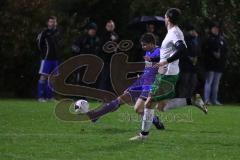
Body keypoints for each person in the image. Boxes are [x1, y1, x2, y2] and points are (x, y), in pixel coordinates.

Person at [130, 8, 207, 140]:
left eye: (165, 16)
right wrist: (156, 60)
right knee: (161, 106)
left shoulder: (174, 33)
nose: (164, 18)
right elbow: (170, 52)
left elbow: (182, 49)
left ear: (167, 18)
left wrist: (166, 61)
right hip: (168, 72)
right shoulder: (172, 32)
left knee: (149, 104)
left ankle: (144, 135)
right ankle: (192, 100)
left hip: (167, 73)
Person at [87, 33, 164, 129]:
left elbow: (161, 62)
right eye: (142, 45)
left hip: (151, 84)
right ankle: (96, 115)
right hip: (142, 81)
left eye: (144, 45)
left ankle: (155, 121)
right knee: (120, 99)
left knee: (139, 110)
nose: (143, 47)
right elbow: (148, 69)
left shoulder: (160, 51)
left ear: (152, 44)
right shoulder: (148, 52)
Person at [37, 16, 61, 102]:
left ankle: (49, 97)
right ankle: (40, 97)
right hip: (46, 59)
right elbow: (39, 45)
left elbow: (59, 45)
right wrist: (44, 54)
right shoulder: (44, 32)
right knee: (43, 77)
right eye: (51, 22)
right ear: (48, 23)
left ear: (56, 23)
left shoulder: (58, 32)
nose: (52, 23)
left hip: (55, 59)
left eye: (54, 22)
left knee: (52, 78)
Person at [204, 22, 228, 105]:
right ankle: (207, 100)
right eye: (214, 28)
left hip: (219, 65)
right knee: (209, 82)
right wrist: (213, 53)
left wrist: (221, 56)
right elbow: (205, 51)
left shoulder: (222, 39)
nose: (216, 29)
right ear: (211, 29)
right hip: (210, 65)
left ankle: (214, 100)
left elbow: (225, 51)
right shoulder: (208, 38)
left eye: (217, 28)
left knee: (216, 84)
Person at [176, 24, 201, 99]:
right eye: (192, 30)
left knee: (193, 82)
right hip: (185, 65)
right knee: (184, 83)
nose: (194, 32)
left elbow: (199, 50)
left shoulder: (196, 39)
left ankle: (188, 98)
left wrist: (196, 57)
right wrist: (189, 57)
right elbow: (182, 51)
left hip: (193, 66)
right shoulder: (184, 39)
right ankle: (181, 98)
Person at [98, 20, 119, 92]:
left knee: (111, 77)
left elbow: (117, 46)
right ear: (106, 27)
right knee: (104, 76)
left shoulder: (115, 35)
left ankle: (110, 93)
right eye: (109, 26)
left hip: (113, 60)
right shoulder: (103, 35)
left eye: (112, 26)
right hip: (104, 59)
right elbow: (102, 47)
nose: (110, 27)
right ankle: (102, 93)